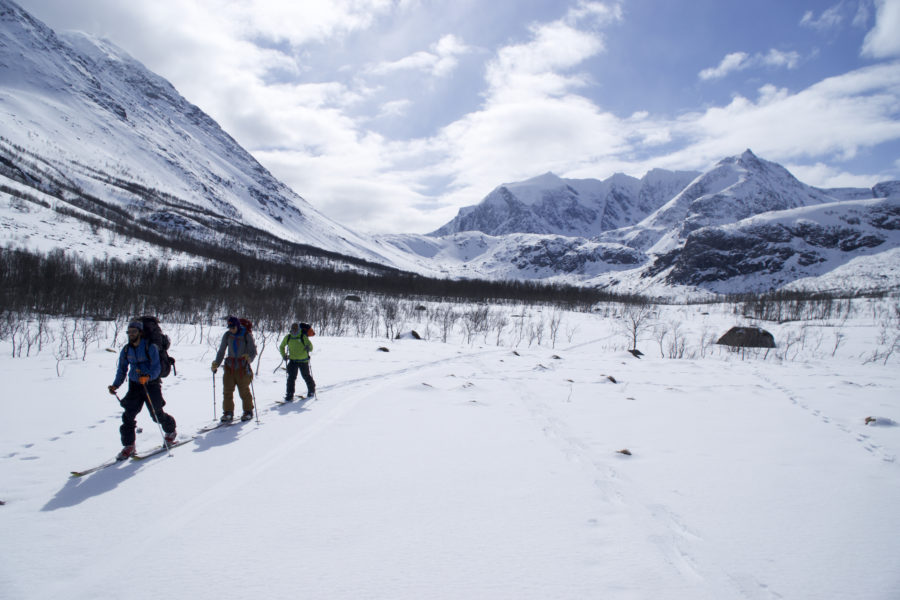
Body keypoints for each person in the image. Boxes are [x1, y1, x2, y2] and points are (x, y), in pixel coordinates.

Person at [108, 320, 177, 460]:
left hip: (151, 384)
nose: (131, 334)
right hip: (135, 385)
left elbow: (156, 367)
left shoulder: (150, 347)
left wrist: (149, 376)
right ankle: (129, 446)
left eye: (134, 332)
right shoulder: (127, 349)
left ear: (140, 332)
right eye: (129, 332)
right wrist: (115, 385)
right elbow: (122, 369)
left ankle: (170, 431)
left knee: (156, 414)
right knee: (128, 415)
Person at [211, 316, 257, 422]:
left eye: (233, 327)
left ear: (237, 325)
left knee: (244, 391)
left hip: (242, 368)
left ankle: (248, 411)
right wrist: (216, 364)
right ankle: (228, 412)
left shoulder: (246, 335)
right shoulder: (227, 335)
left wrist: (249, 359)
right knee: (227, 391)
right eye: (229, 327)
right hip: (229, 367)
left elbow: (253, 351)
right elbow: (221, 351)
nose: (231, 329)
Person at [279, 322, 316, 401]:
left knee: (306, 376)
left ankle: (311, 390)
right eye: (293, 329)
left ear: (299, 330)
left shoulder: (303, 337)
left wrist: (308, 348)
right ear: (291, 329)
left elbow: (311, 347)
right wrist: (283, 355)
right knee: (291, 378)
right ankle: (289, 394)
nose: (295, 331)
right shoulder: (288, 337)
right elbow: (281, 346)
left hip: (303, 360)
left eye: (296, 330)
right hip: (293, 360)